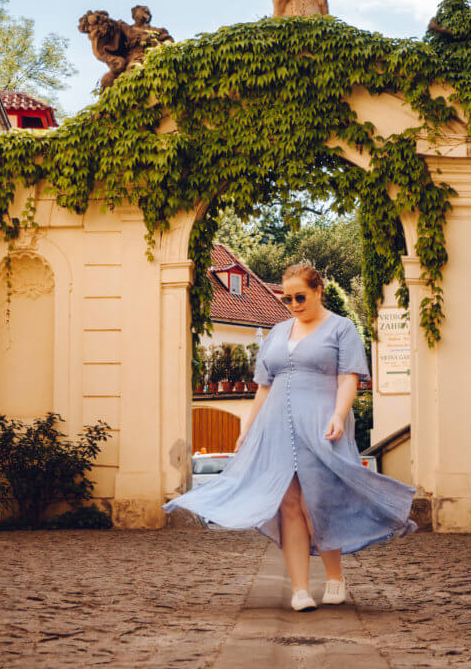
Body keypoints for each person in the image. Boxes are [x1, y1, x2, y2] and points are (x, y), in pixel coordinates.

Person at [162, 262, 418, 612]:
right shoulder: (277, 332)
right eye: (287, 299)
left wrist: (339, 416)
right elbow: (264, 387)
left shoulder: (341, 328)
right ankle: (299, 590)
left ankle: (334, 579)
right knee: (289, 504)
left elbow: (349, 379)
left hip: (322, 424)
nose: (294, 304)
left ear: (318, 292)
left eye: (300, 296)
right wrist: (247, 430)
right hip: (277, 427)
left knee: (321, 500)